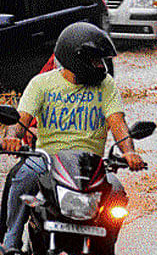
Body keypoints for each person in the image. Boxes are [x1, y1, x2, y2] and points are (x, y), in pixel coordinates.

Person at [0, 22, 146, 254]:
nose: (101, 66)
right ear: (75, 58)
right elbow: (20, 121)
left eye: (102, 60)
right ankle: (10, 242)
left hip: (93, 165)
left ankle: (106, 245)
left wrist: (128, 151)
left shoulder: (106, 85)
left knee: (117, 192)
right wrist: (12, 138)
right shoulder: (42, 84)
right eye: (96, 60)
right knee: (22, 177)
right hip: (47, 160)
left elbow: (118, 123)